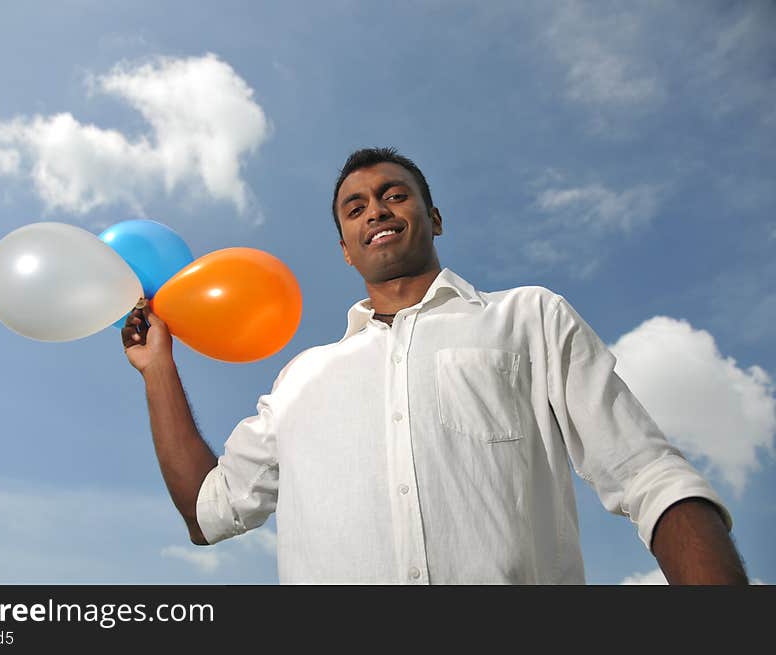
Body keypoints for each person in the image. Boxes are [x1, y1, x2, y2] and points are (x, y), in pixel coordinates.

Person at [123, 147, 748, 584]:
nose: (377, 209)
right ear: (344, 249)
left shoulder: (530, 317)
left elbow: (648, 475)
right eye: (355, 206)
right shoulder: (300, 380)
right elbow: (208, 512)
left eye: (395, 195)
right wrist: (158, 370)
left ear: (434, 217)